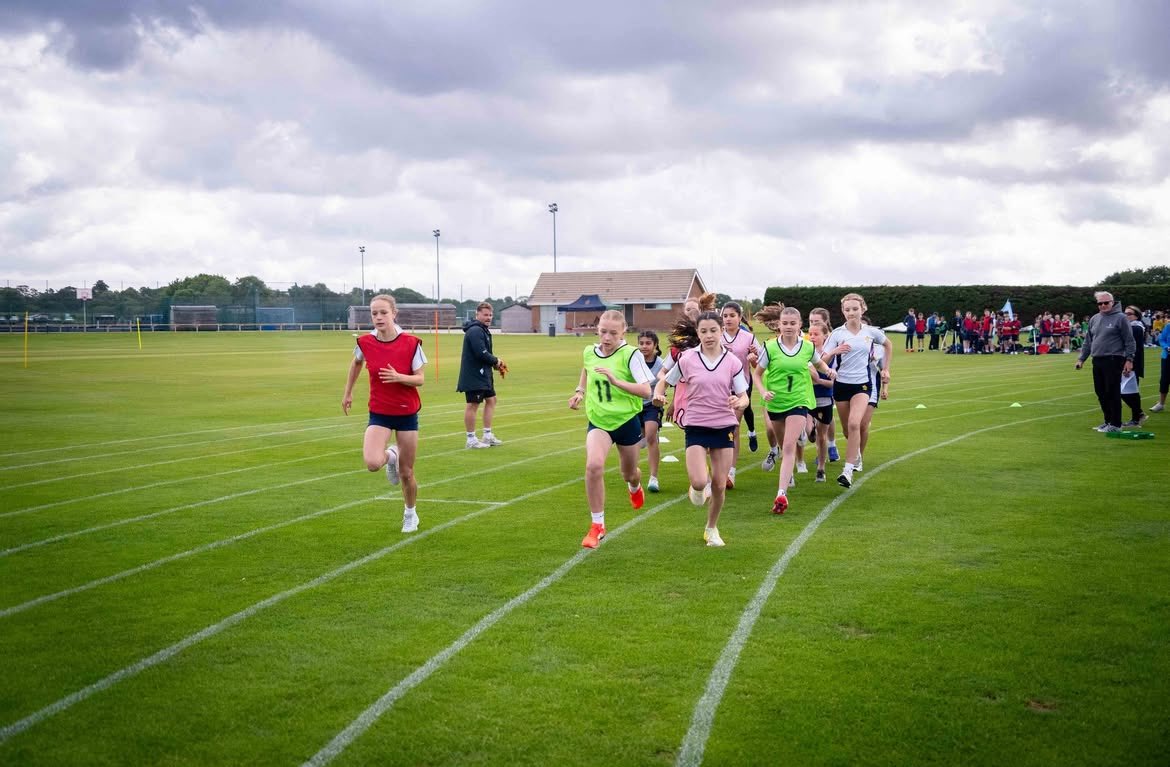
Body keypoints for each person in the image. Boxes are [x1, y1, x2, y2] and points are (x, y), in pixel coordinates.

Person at [653, 310, 749, 546]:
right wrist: (658, 394)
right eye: (704, 331)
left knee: (719, 484)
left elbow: (744, 396)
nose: (709, 335)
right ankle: (697, 489)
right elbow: (666, 380)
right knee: (699, 482)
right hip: (696, 424)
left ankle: (711, 528)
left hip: (723, 425)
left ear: (721, 331)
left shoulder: (732, 361)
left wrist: (739, 402)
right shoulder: (687, 359)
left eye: (713, 330)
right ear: (698, 333)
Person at [569, 310, 654, 549]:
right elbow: (587, 369)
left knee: (629, 473)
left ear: (623, 332)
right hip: (599, 421)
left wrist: (616, 381)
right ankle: (598, 525)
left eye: (613, 333)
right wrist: (580, 391)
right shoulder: (589, 351)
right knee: (593, 465)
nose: (607, 338)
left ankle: (634, 485)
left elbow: (646, 390)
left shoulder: (631, 354)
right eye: (603, 332)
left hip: (626, 421)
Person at [342, 294, 427, 533]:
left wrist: (399, 377)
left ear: (394, 314)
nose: (378, 317)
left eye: (383, 312)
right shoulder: (365, 342)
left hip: (406, 412)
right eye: (374, 313)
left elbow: (420, 379)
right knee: (372, 463)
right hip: (379, 411)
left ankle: (410, 514)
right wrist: (348, 392)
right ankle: (391, 455)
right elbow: (356, 363)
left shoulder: (411, 343)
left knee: (406, 472)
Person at [754, 304, 836, 513]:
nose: (789, 327)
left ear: (800, 325)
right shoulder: (770, 347)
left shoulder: (807, 347)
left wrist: (829, 370)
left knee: (789, 446)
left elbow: (819, 364)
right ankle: (788, 473)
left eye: (793, 323)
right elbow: (757, 374)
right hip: (776, 402)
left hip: (799, 400)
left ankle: (781, 494)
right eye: (785, 323)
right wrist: (763, 392)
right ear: (779, 325)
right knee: (783, 444)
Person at [822, 293, 892, 488]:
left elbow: (888, 345)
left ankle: (847, 471)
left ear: (863, 309)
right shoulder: (837, 334)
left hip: (862, 385)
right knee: (847, 429)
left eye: (855, 309)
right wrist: (834, 352)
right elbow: (822, 360)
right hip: (841, 385)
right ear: (843, 311)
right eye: (847, 309)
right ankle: (857, 455)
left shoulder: (871, 332)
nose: (851, 312)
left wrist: (886, 369)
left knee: (855, 424)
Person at [1075, 291, 1136, 433]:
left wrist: (1129, 359)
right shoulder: (1094, 318)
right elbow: (1088, 341)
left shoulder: (1121, 318)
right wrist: (1081, 359)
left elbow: (1129, 341)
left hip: (1114, 359)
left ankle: (1116, 424)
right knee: (1100, 392)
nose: (1103, 305)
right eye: (1100, 303)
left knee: (1112, 391)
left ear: (1112, 302)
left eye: (1106, 303)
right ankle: (1108, 421)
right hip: (1097, 359)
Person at [720, 301, 764, 489]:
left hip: (740, 387)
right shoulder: (716, 336)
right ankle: (718, 468)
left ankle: (731, 472)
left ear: (739, 317)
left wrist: (753, 358)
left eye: (732, 315)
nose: (728, 319)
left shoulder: (749, 337)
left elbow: (760, 365)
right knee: (718, 428)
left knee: (733, 427)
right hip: (718, 388)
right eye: (725, 316)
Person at [457, 302, 506, 448]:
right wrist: (496, 361)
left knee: (491, 400)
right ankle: (471, 439)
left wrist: (494, 365)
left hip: (484, 374)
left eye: (490, 315)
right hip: (474, 375)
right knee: (473, 405)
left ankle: (487, 435)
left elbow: (484, 354)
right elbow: (481, 353)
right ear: (477, 314)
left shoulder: (483, 330)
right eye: (485, 315)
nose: (488, 317)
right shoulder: (475, 331)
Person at [637, 330, 665, 492]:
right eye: (641, 343)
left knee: (651, 437)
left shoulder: (661, 364)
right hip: (635, 405)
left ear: (655, 345)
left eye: (648, 343)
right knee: (636, 441)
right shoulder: (634, 361)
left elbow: (665, 381)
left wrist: (660, 395)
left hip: (652, 404)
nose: (644, 346)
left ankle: (653, 478)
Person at [1120, 305, 1147, 427]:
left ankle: (1137, 416)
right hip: (1127, 362)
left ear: (1136, 316)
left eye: (1129, 314)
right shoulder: (1131, 327)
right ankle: (1137, 415)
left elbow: (1132, 347)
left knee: (1128, 391)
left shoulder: (1136, 328)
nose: (1126, 316)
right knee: (1127, 391)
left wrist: (1129, 362)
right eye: (1124, 313)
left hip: (1131, 363)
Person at [1154, 319, 1170, 413]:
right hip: (1167, 357)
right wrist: (1166, 347)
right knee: (1164, 380)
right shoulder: (1168, 326)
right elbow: (1161, 339)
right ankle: (1161, 404)